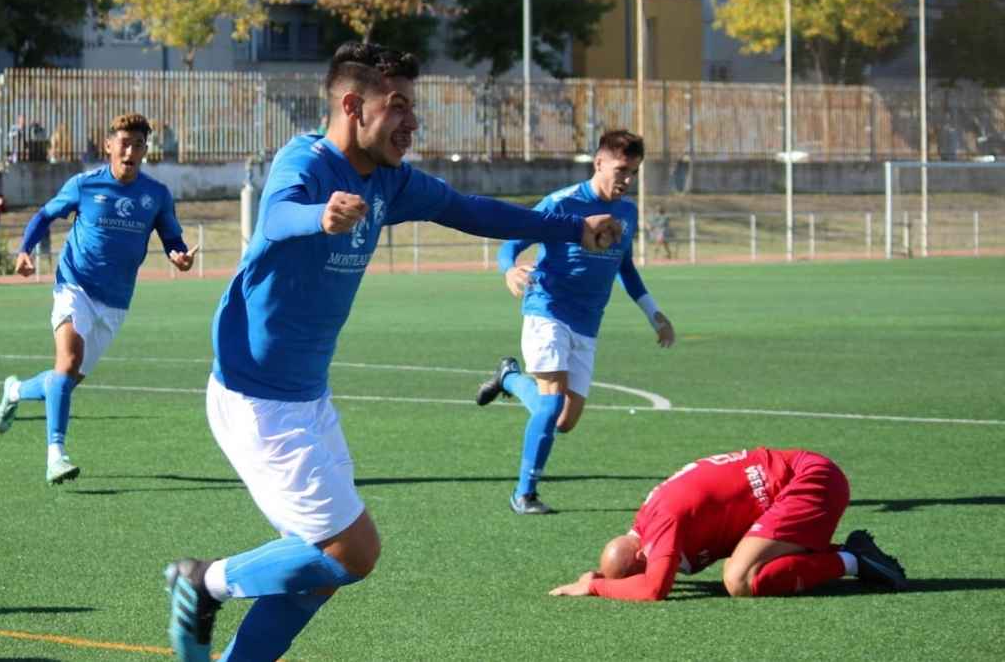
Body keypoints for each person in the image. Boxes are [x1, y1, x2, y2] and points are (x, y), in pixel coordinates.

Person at [161, 41, 623, 662]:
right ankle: (203, 581)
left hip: (306, 398)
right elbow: (274, 217)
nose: (412, 121)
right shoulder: (305, 161)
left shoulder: (392, 182)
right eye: (398, 105)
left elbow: (469, 209)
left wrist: (572, 227)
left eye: (414, 106)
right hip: (257, 400)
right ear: (353, 105)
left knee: (318, 572)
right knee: (352, 553)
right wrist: (318, 216)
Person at [475, 130, 675, 515]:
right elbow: (511, 244)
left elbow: (625, 266)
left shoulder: (627, 213)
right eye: (621, 170)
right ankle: (524, 493)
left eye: (634, 172)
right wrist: (509, 270)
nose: (627, 180)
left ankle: (509, 378)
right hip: (546, 309)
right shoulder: (563, 202)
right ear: (598, 163)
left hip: (587, 323)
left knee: (564, 421)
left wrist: (654, 313)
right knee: (550, 405)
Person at [0, 112, 196, 485]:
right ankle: (56, 455)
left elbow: (172, 238)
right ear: (108, 145)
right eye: (124, 142)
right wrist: (25, 250)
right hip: (75, 286)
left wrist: (178, 255)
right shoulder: (84, 185)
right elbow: (44, 215)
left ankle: (16, 390)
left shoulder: (156, 195)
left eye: (138, 144)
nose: (130, 150)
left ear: (145, 150)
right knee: (67, 364)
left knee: (65, 380)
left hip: (115, 302)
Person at [548, 447, 907, 600]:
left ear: (644, 554)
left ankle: (852, 559)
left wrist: (594, 588)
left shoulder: (664, 522)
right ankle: (841, 555)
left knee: (739, 579)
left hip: (810, 481)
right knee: (747, 564)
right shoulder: (647, 520)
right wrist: (601, 576)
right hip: (800, 479)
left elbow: (653, 590)